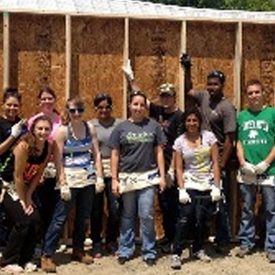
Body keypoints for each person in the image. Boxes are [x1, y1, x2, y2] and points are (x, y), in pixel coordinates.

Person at [123, 60, 184, 253]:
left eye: (169, 96)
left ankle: (175, 239)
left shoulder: (179, 116)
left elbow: (179, 144)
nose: (165, 99)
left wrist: (173, 170)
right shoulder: (157, 111)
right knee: (162, 204)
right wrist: (131, 78)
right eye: (163, 96)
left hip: (171, 163)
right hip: (156, 164)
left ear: (174, 97)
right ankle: (166, 239)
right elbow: (142, 99)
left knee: (171, 204)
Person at [41, 97, 103, 272]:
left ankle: (78, 249)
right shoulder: (62, 131)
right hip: (69, 178)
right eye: (73, 110)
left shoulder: (89, 128)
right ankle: (47, 255)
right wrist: (63, 183)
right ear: (67, 111)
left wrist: (99, 176)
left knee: (83, 216)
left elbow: (96, 153)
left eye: (80, 110)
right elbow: (58, 159)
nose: (76, 114)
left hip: (87, 178)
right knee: (60, 217)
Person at [181, 56, 236, 252]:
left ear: (222, 85)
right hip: (202, 161)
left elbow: (230, 139)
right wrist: (187, 69)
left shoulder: (226, 107)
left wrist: (220, 165)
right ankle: (201, 240)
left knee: (220, 203)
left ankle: (223, 241)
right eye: (209, 84)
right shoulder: (204, 97)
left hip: (219, 161)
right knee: (203, 203)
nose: (212, 87)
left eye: (215, 84)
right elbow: (189, 91)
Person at [109, 91, 166, 266]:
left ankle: (149, 250)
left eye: (142, 105)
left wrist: (162, 176)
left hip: (148, 176)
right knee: (127, 215)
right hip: (127, 177)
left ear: (146, 107)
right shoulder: (121, 127)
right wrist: (114, 179)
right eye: (135, 104)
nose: (138, 108)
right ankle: (125, 249)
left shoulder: (154, 126)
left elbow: (159, 152)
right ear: (129, 105)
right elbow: (115, 154)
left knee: (146, 213)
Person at [0, 115, 53, 273]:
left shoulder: (48, 146)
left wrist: (29, 197)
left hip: (26, 186)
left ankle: (25, 258)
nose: (43, 132)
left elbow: (38, 174)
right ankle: (8, 260)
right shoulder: (23, 145)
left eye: (46, 129)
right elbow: (17, 176)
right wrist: (23, 201)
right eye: (40, 128)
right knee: (22, 220)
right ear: (33, 129)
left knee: (35, 219)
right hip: (8, 185)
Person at [170, 108, 221, 269]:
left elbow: (215, 163)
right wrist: (182, 189)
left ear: (199, 122)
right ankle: (176, 253)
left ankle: (198, 248)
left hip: (207, 182)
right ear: (184, 123)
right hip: (190, 182)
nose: (192, 124)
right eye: (188, 121)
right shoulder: (180, 141)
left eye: (194, 120)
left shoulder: (209, 138)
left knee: (202, 219)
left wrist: (216, 187)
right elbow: (178, 167)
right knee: (186, 218)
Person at [235, 79, 275, 263]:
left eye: (257, 92)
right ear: (246, 95)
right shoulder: (242, 116)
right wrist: (243, 162)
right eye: (250, 93)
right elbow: (239, 141)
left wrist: (266, 162)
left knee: (271, 209)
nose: (254, 96)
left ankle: (271, 246)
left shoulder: (272, 113)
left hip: (270, 170)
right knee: (247, 208)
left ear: (263, 93)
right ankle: (246, 242)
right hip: (248, 170)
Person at [88, 93, 122, 257]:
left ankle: (111, 240)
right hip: (96, 169)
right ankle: (96, 242)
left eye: (107, 107)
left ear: (111, 107)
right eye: (100, 107)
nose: (104, 110)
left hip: (115, 168)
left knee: (115, 209)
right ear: (95, 109)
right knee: (96, 209)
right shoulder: (90, 125)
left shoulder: (119, 124)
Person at [28, 86, 62, 240]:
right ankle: (38, 241)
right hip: (39, 168)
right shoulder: (32, 121)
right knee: (39, 205)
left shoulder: (61, 120)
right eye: (44, 99)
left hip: (57, 167)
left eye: (50, 98)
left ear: (55, 100)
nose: (47, 101)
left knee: (54, 206)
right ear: (39, 101)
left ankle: (51, 240)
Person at [0, 88, 27, 248]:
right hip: (2, 178)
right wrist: (12, 137)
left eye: (16, 105)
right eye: (9, 105)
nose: (12, 108)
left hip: (18, 177)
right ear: (3, 104)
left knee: (17, 216)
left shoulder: (22, 125)